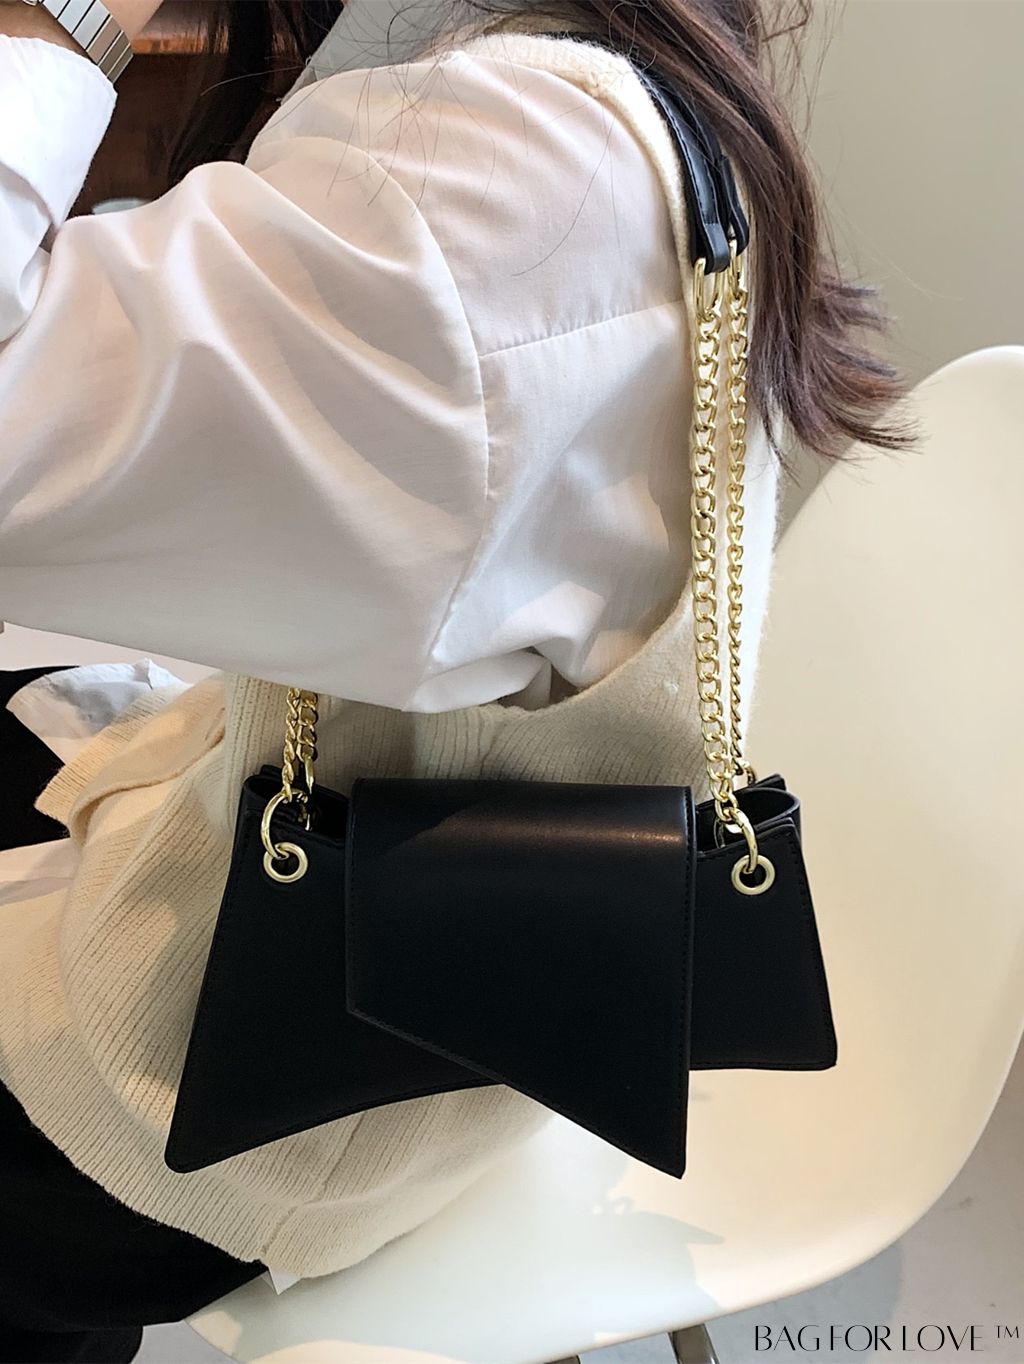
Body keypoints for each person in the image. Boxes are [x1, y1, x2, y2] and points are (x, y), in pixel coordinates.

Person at [0, 1, 915, 1359]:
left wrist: (68, 21)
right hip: (441, 1010)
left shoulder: (485, 170)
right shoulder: (646, 100)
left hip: (218, 1117)